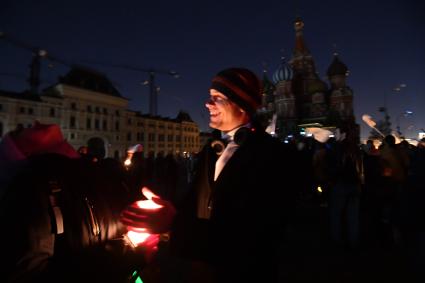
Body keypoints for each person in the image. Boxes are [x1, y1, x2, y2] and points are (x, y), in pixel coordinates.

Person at [124, 67, 296, 282]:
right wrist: (170, 210)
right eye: (209, 96)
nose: (207, 103)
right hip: (204, 270)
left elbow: (255, 234)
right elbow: (197, 203)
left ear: (241, 104)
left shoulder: (273, 155)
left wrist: (173, 223)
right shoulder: (212, 148)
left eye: (217, 98)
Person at [0, 122, 173, 283]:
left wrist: (164, 222)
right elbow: (33, 275)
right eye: (19, 130)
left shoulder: (88, 174)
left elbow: (125, 218)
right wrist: (135, 257)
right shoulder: (30, 190)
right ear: (23, 152)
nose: (35, 122)